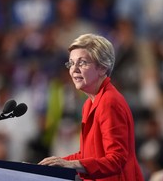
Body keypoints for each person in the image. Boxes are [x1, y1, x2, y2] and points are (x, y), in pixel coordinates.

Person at [39, 33, 144, 181]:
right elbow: (88, 155)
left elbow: (116, 159)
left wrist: (71, 164)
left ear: (102, 68)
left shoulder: (109, 102)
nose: (74, 69)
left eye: (82, 63)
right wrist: (52, 164)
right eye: (71, 63)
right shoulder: (89, 103)